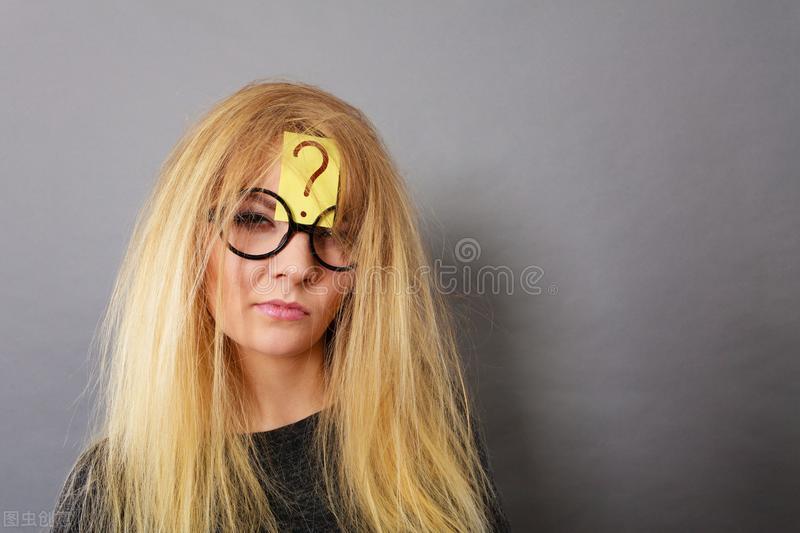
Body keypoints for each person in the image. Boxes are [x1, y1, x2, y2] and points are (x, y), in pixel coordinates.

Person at [52, 80, 511, 532]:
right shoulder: (111, 489)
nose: (296, 266)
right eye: (253, 219)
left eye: (333, 232)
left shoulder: (427, 443)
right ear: (185, 240)